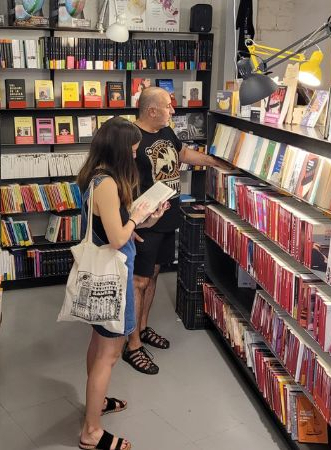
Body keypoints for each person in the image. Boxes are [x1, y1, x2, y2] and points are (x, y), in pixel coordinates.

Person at [76, 117, 168, 450]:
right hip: (114, 277)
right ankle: (91, 432)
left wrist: (142, 220)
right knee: (109, 354)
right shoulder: (108, 184)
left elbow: (108, 227)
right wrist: (137, 218)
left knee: (98, 342)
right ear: (119, 149)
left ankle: (95, 404)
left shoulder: (93, 174)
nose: (134, 153)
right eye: (131, 148)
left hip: (100, 272)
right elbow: (117, 238)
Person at [123, 87, 224, 375]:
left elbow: (183, 154)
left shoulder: (166, 132)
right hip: (145, 223)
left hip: (167, 217)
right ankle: (131, 346)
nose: (173, 111)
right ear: (152, 110)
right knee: (138, 281)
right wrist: (126, 222)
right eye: (168, 106)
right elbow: (118, 180)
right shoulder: (130, 137)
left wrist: (215, 162)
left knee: (152, 275)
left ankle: (141, 329)